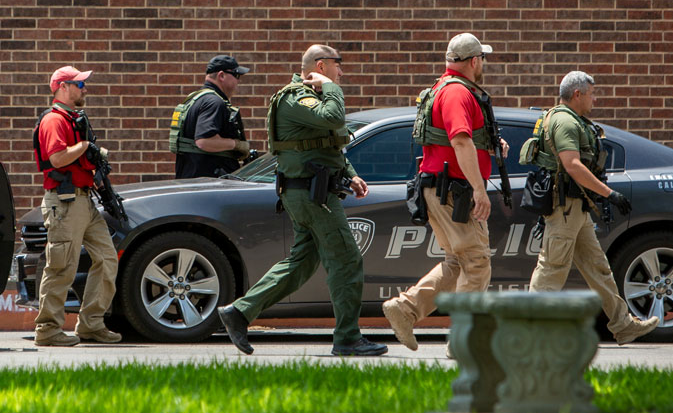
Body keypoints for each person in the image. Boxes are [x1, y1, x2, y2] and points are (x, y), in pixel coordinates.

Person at [218, 45, 385, 356]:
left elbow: (327, 143)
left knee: (301, 263)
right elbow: (333, 117)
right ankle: (348, 338)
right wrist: (333, 89)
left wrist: (350, 173)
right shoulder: (296, 97)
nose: (341, 73)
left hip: (310, 190)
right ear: (321, 66)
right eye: (338, 67)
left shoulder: (313, 96)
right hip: (311, 194)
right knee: (347, 259)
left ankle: (239, 312)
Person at [381, 33, 508, 352]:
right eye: (483, 60)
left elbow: (464, 140)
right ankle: (464, 339)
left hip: (441, 187)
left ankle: (405, 309)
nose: (484, 66)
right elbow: (460, 141)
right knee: (477, 261)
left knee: (459, 261)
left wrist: (491, 147)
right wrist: (479, 189)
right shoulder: (457, 93)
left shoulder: (444, 88)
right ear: (474, 61)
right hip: (455, 191)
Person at [527, 70, 658, 345]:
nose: (594, 100)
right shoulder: (564, 121)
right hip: (565, 209)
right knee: (551, 269)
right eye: (592, 94)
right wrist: (610, 194)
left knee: (598, 268)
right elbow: (572, 164)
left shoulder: (570, 119)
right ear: (577, 94)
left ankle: (623, 325)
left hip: (576, 209)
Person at [31, 65, 121, 347]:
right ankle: (47, 329)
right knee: (62, 266)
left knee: (107, 258)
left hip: (84, 200)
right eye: (79, 84)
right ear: (62, 87)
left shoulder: (73, 119)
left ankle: (92, 324)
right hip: (65, 202)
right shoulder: (54, 121)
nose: (84, 89)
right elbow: (57, 159)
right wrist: (85, 147)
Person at [171, 55, 253, 179]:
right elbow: (204, 141)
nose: (238, 81)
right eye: (236, 75)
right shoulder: (214, 102)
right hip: (208, 184)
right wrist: (236, 145)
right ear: (221, 76)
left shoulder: (196, 99)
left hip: (194, 180)